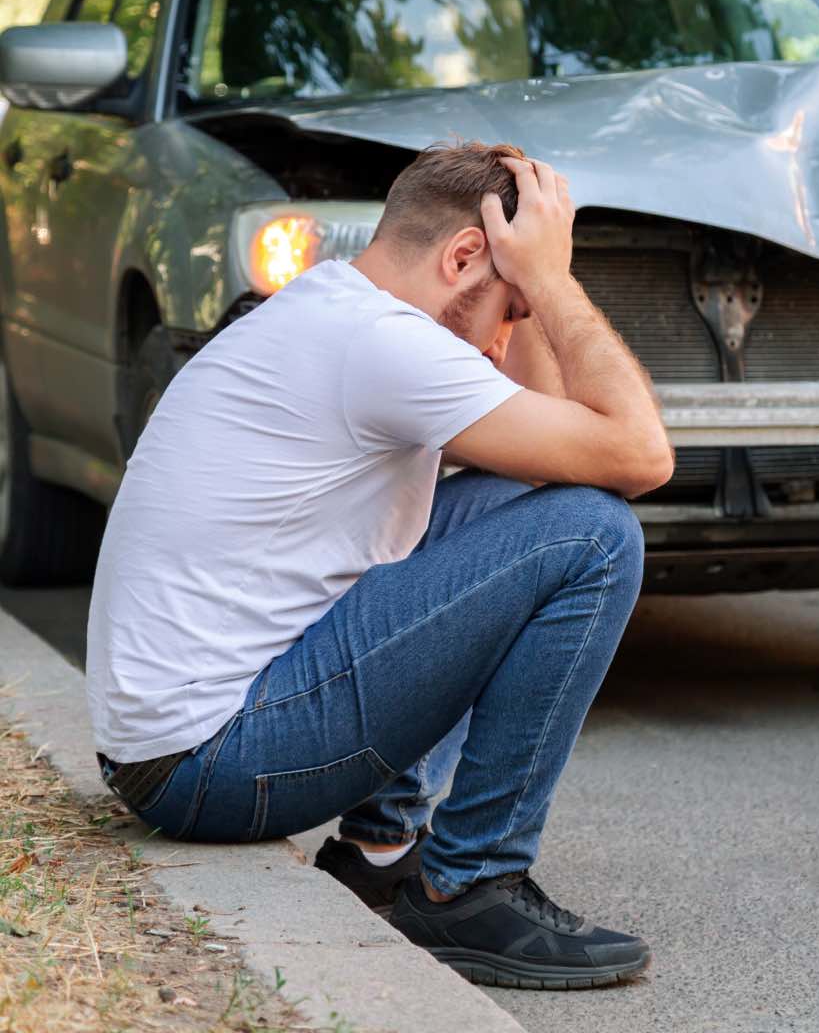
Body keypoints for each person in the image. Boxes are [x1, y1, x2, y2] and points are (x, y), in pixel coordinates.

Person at [85, 142, 674, 989]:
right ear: (464, 256)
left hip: (179, 743)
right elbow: (639, 455)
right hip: (204, 764)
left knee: (524, 505)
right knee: (594, 536)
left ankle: (380, 853)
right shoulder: (381, 346)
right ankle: (469, 886)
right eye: (506, 309)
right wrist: (551, 280)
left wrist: (530, 290)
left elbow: (556, 454)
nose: (504, 344)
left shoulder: (339, 311)